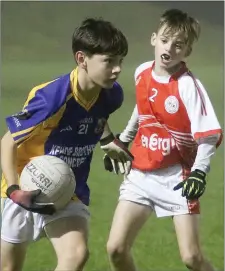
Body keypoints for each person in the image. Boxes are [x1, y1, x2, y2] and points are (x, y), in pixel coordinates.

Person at [1, 18, 133, 271]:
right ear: (82, 58)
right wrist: (14, 190)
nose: (117, 69)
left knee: (76, 255)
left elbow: (97, 116)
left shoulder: (112, 94)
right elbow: (7, 142)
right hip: (26, 185)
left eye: (120, 61)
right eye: (109, 61)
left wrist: (106, 139)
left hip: (68, 189)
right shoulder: (53, 98)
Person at [104, 9, 223, 271]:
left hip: (176, 178)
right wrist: (124, 141)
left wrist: (199, 173)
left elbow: (208, 135)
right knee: (116, 249)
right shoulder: (142, 72)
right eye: (165, 40)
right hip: (141, 174)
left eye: (179, 44)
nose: (170, 47)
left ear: (187, 52)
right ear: (154, 39)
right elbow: (143, 108)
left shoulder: (188, 86)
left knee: (191, 258)